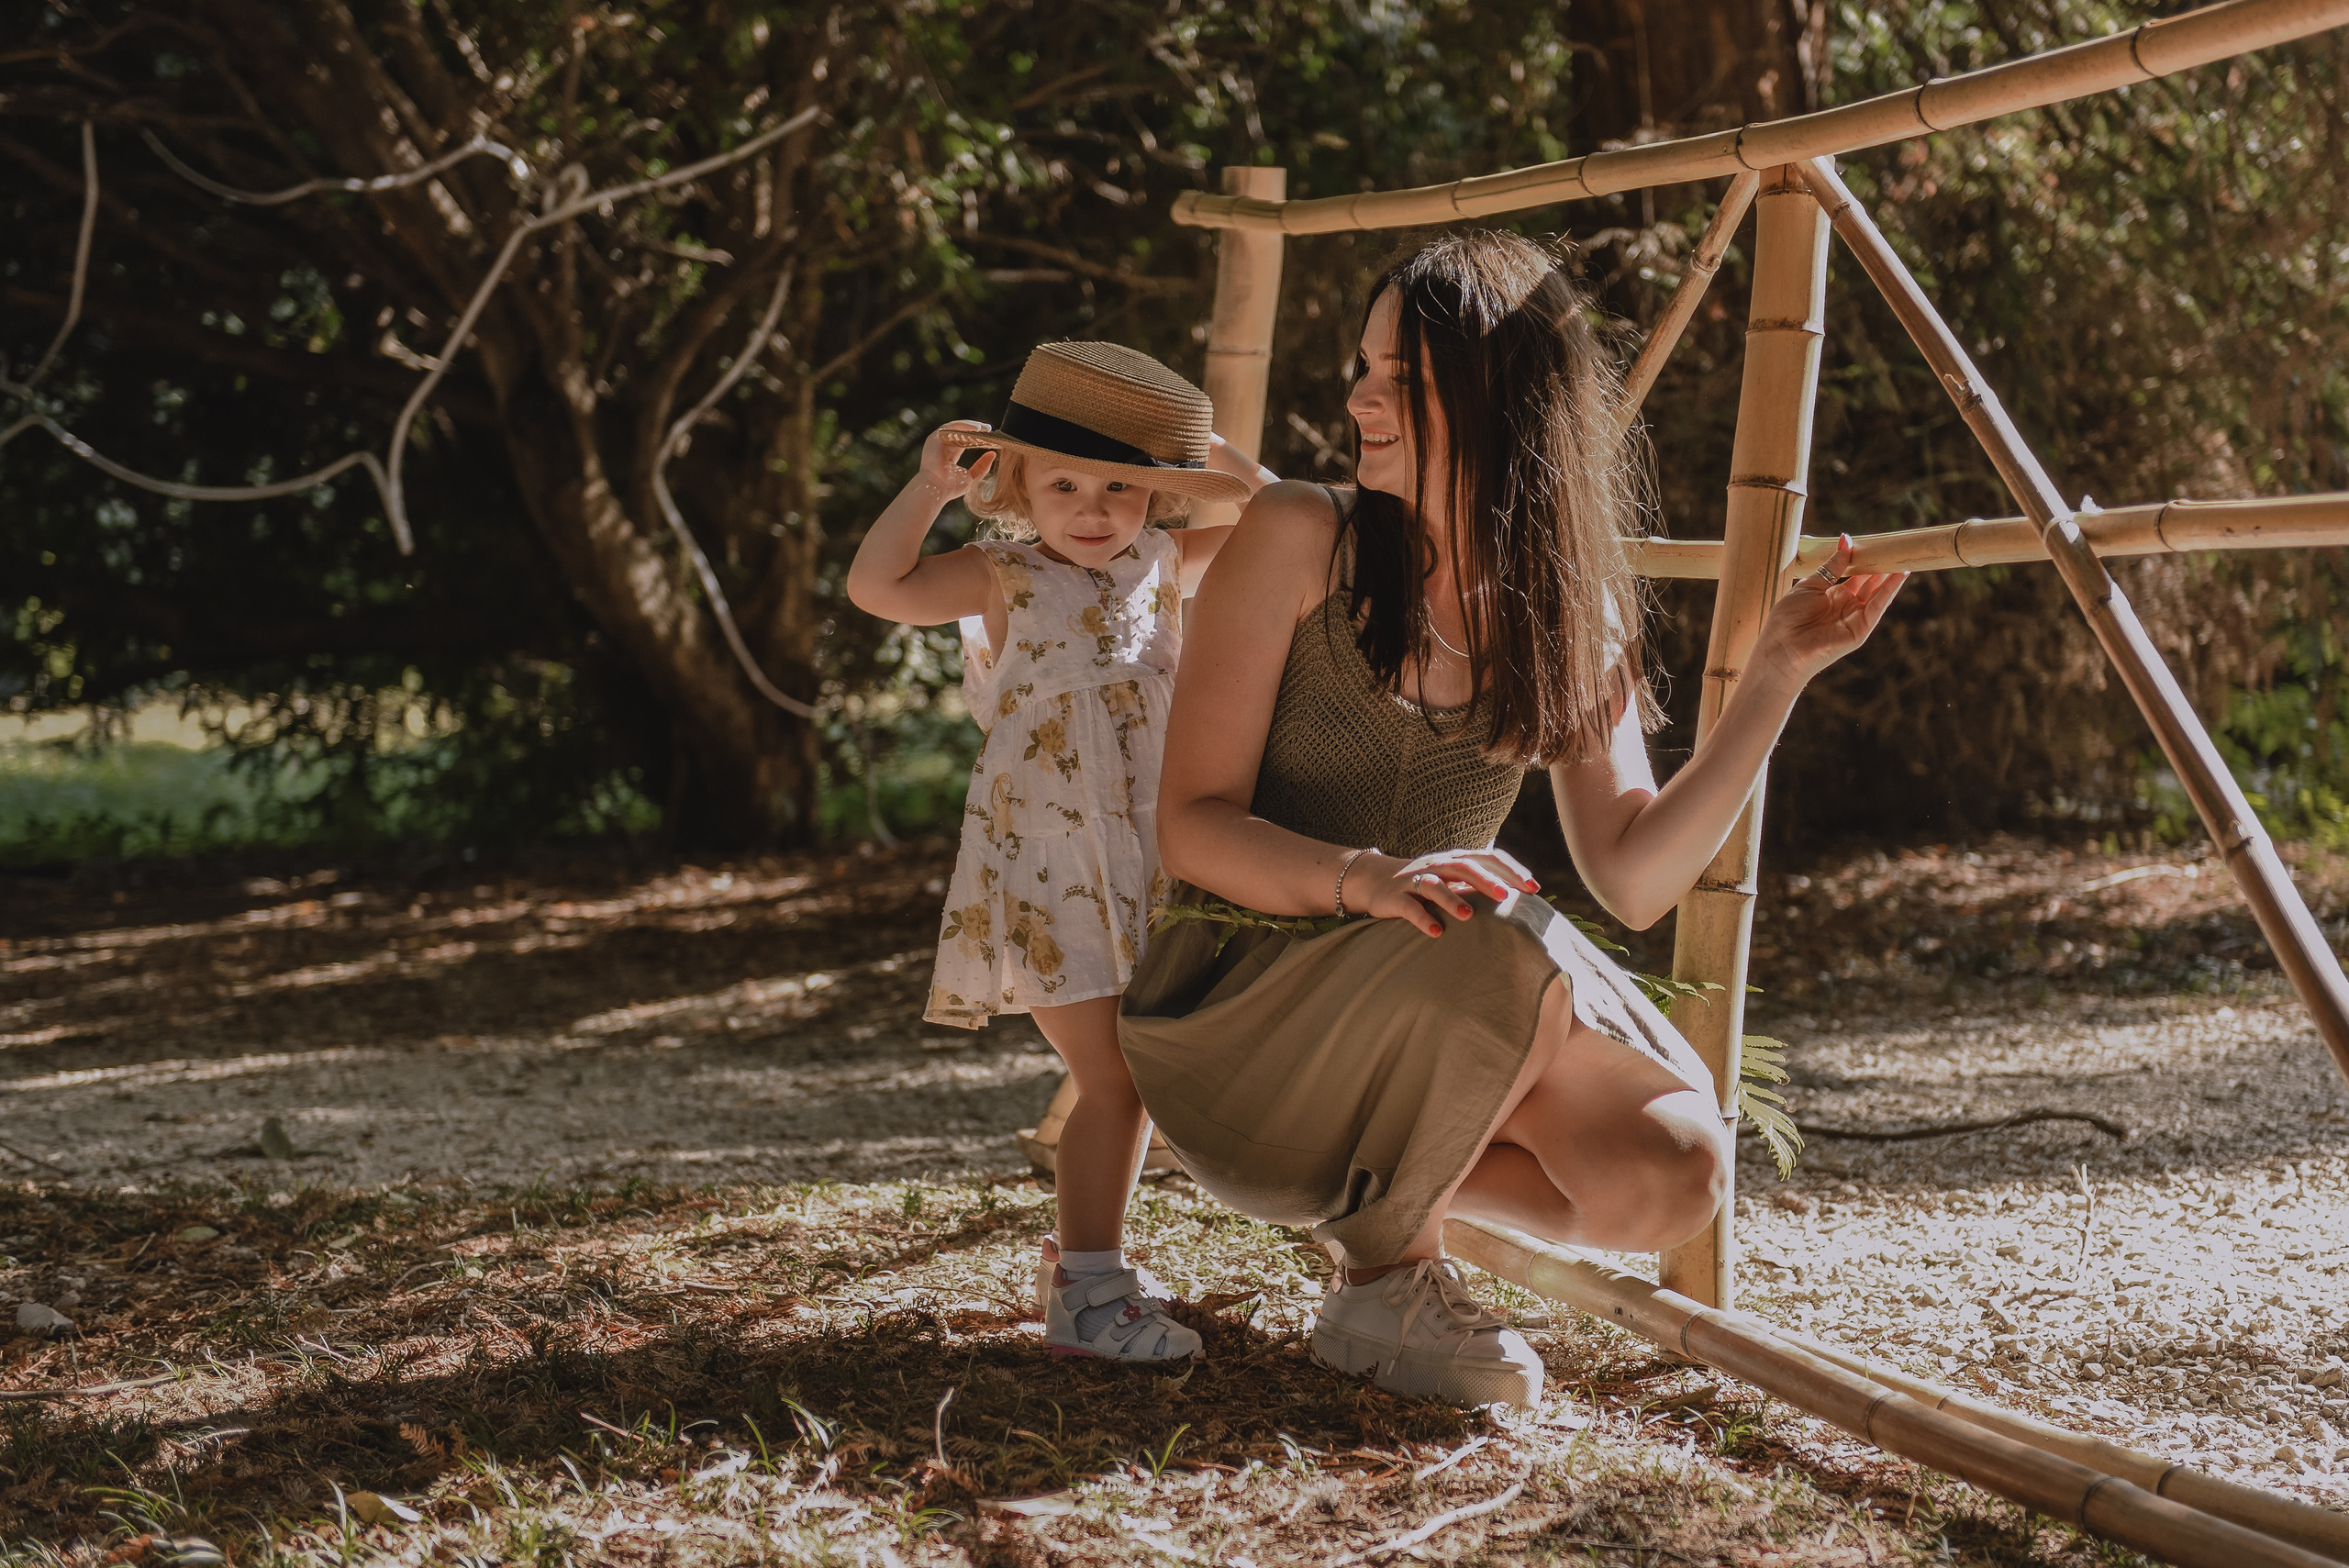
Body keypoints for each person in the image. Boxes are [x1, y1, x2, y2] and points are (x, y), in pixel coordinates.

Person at [1122, 232, 1906, 1407]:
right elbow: (1191, 824)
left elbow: (1635, 876)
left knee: (1679, 1165)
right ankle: (1388, 1273)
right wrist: (1371, 878)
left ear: (1501, 400)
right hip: (1235, 1018)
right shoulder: (1297, 533)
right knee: (1487, 914)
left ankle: (1391, 1188)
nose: (1357, 398)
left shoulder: (1567, 607)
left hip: (1425, 1012)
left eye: (1403, 379)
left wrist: (1775, 681)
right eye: (1362, 367)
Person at [846, 340, 1275, 1361]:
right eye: (1065, 483)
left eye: (1123, 485)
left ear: (1157, 498)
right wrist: (924, 489)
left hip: (1152, 854)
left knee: (1140, 1066)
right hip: (1046, 868)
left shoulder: (1166, 562)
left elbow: (1276, 524)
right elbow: (877, 587)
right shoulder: (998, 572)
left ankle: (1088, 1264)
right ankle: (1087, 1294)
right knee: (1113, 1074)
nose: (1093, 508)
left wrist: (1211, 457)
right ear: (1018, 488)